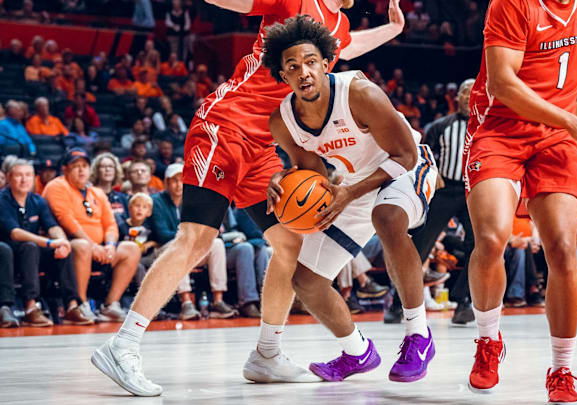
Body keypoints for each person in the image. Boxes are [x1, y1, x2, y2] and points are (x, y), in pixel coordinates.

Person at [92, 0, 406, 396]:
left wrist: (392, 30)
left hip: (262, 146)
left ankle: (267, 354)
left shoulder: (337, 25)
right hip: (225, 126)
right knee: (197, 239)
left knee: (292, 243)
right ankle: (123, 345)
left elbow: (348, 44)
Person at [263, 16, 438, 383]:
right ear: (283, 76)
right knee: (306, 281)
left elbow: (405, 155)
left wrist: (349, 193)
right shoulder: (283, 121)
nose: (303, 72)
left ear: (326, 63)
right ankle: (358, 352)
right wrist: (282, 179)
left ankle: (418, 334)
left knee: (387, 218)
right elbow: (312, 173)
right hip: (353, 184)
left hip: (406, 166)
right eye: (292, 67)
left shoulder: (359, 93)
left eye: (310, 62)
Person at [462, 0, 577, 402]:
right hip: (499, 129)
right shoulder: (512, 4)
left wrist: (573, 154)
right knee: (493, 238)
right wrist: (571, 123)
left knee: (564, 248)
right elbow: (503, 83)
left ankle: (562, 370)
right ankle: (488, 341)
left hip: (559, 139)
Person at [405, 78, 475, 325]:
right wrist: (434, 175)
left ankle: (463, 301)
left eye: (473, 92)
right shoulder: (440, 126)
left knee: (477, 246)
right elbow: (421, 155)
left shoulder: (487, 128)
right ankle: (398, 301)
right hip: (444, 191)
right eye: (465, 92)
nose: (468, 96)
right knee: (421, 245)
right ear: (457, 97)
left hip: (472, 192)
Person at [43, 148, 140, 322]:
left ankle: (111, 305)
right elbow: (66, 220)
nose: (81, 170)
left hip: (100, 250)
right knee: (82, 245)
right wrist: (93, 245)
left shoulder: (97, 192)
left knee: (131, 249)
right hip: (69, 248)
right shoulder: (57, 186)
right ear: (65, 169)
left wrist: (109, 246)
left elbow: (111, 224)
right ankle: (81, 303)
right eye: (76, 166)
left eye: (85, 166)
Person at [0, 159, 92, 326]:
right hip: (8, 250)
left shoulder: (37, 200)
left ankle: (72, 306)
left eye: (28, 175)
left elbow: (52, 226)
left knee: (63, 249)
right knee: (29, 247)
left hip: (33, 251)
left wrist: (62, 242)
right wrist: (49, 243)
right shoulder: (2, 199)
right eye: (19, 175)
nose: (24, 179)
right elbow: (15, 233)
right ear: (9, 177)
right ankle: (30, 308)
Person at [148, 163, 235, 320]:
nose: (179, 184)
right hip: (164, 251)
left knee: (217, 244)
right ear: (166, 183)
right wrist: (191, 236)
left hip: (190, 248)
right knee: (180, 246)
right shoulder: (156, 201)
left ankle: (218, 301)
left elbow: (207, 228)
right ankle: (186, 302)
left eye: (182, 180)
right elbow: (162, 235)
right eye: (174, 180)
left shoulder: (195, 200)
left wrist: (193, 236)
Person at [224, 208, 270, 318]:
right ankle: (247, 302)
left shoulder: (229, 208)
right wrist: (233, 237)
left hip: (238, 243)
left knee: (261, 250)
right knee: (246, 248)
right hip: (221, 249)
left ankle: (265, 299)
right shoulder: (241, 210)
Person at [89, 153, 129, 217]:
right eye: (103, 166)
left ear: (115, 171)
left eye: (110, 166)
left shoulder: (122, 198)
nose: (107, 169)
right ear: (96, 170)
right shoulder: (88, 195)